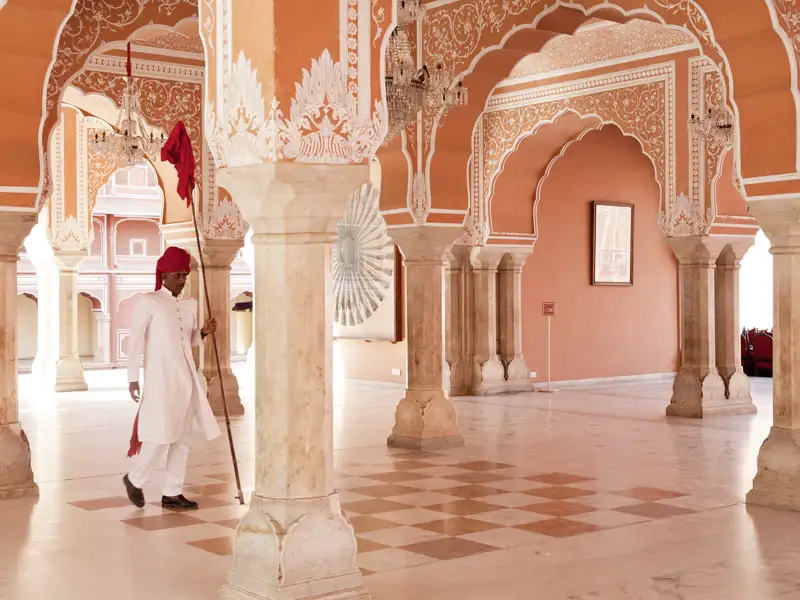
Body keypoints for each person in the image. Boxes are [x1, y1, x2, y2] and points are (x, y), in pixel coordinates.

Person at [122, 246, 222, 510]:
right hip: (161, 379)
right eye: (177, 275)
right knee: (161, 434)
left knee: (183, 439)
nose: (182, 280)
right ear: (164, 275)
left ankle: (172, 492)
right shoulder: (150, 301)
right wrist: (133, 377)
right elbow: (134, 342)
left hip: (186, 379)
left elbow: (189, 341)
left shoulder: (190, 304)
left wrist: (202, 332)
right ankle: (135, 478)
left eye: (185, 275)